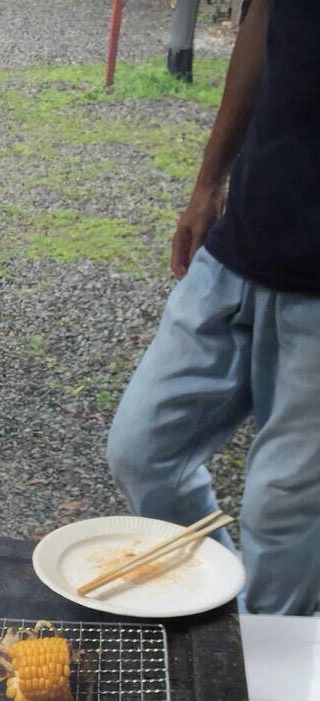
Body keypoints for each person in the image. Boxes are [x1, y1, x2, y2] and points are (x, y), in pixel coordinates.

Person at [106, 0, 319, 616]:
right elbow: (264, 22)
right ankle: (225, 611)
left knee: (285, 512)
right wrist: (209, 181)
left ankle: (268, 683)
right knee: (144, 450)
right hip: (244, 240)